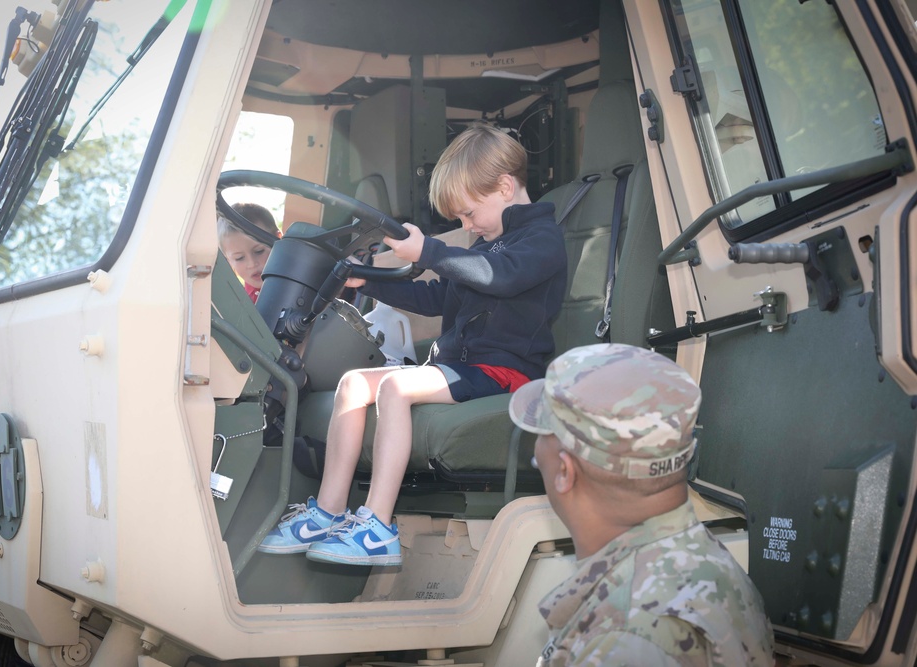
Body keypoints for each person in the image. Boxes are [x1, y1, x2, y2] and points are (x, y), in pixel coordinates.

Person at [258, 122, 568, 566]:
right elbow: (439, 296)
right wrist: (374, 281)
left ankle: (378, 527)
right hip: (461, 366)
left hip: (506, 371)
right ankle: (328, 511)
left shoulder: (540, 241)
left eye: (468, 214)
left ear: (504, 186)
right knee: (353, 384)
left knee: (395, 388)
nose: (467, 227)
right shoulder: (491, 244)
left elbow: (501, 278)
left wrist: (430, 252)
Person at [508, 343, 775, 666]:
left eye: (542, 434)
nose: (536, 454)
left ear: (564, 472)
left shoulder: (622, 640)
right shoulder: (710, 563)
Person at [217, 202, 282, 303]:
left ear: (279, 240)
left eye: (259, 251)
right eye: (239, 258)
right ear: (228, 261)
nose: (252, 264)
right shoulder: (238, 304)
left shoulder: (302, 287)